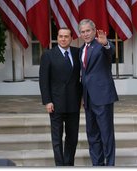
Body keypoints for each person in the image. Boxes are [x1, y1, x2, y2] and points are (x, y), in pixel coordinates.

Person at [78, 19, 119, 166]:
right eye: (82, 32)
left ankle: (110, 165)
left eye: (88, 30)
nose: (85, 34)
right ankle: (97, 165)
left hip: (103, 97)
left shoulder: (101, 45)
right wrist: (83, 96)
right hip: (88, 99)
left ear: (94, 30)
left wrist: (106, 44)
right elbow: (84, 75)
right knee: (93, 136)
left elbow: (111, 53)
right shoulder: (82, 49)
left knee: (106, 135)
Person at [39, 27, 82, 166]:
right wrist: (47, 101)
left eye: (66, 36)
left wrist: (82, 98)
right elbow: (43, 80)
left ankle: (69, 165)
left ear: (71, 38)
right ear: (57, 38)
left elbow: (80, 78)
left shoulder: (77, 52)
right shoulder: (48, 55)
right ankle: (60, 166)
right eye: (61, 36)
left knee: (72, 138)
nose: (63, 39)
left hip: (73, 103)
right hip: (56, 104)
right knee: (57, 139)